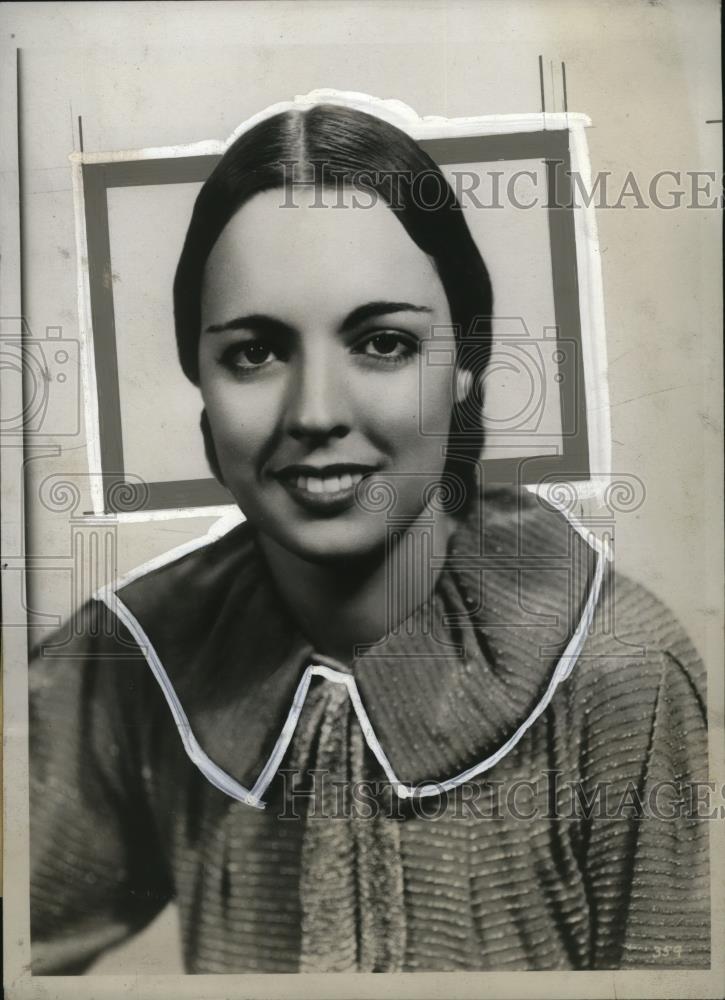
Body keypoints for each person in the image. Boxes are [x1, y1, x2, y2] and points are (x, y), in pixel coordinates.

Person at [29, 102, 709, 974]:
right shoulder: (135, 659)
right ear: (199, 378)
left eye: (382, 343)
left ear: (468, 359)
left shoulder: (619, 674)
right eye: (253, 353)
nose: (315, 414)